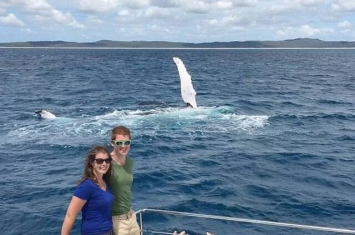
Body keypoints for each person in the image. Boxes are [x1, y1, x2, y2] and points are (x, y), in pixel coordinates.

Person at [61, 145, 114, 235]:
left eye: (107, 160)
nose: (104, 164)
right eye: (100, 161)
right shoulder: (86, 186)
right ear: (92, 162)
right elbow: (70, 215)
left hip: (109, 231)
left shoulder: (105, 182)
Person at [109, 125, 140, 235]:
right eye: (119, 143)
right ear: (112, 143)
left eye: (127, 142)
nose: (123, 146)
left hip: (131, 215)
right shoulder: (106, 164)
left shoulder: (129, 162)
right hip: (116, 220)